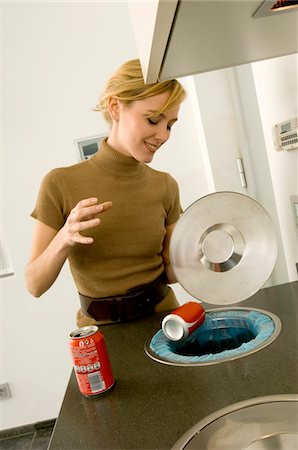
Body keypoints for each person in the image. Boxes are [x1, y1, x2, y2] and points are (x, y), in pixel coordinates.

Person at [25, 58, 186, 327]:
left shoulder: (166, 185)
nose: (163, 135)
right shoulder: (59, 184)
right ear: (115, 107)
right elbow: (34, 285)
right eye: (153, 119)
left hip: (166, 323)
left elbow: (171, 273)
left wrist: (198, 250)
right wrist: (64, 237)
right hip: (100, 334)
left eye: (170, 125)